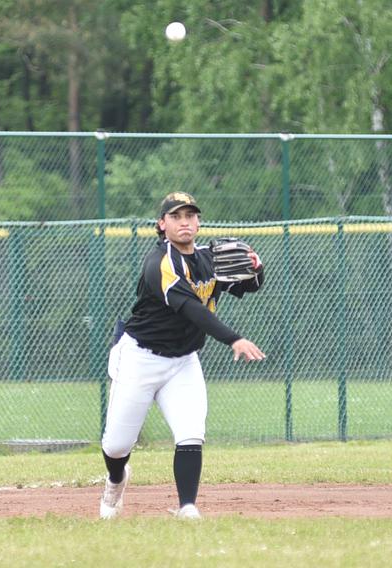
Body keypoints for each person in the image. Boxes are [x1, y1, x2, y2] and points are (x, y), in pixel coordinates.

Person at [99, 191, 266, 520]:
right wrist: (233, 339)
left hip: (183, 361)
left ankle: (187, 507)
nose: (185, 221)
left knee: (191, 432)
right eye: (176, 216)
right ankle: (116, 480)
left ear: (198, 222)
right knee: (117, 445)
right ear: (162, 225)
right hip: (139, 358)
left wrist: (258, 270)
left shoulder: (211, 258)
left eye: (190, 215)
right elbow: (190, 308)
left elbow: (247, 287)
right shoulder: (160, 263)